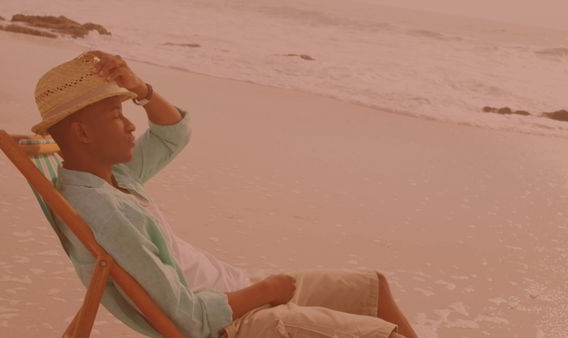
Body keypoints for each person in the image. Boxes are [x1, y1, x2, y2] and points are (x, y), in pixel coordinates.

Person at [30, 50, 419, 338]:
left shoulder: (114, 178)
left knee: (373, 287)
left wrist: (140, 88)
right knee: (380, 334)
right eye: (117, 115)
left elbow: (173, 134)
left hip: (238, 294)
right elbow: (185, 317)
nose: (131, 126)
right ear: (82, 134)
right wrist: (266, 290)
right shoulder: (105, 213)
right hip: (233, 325)